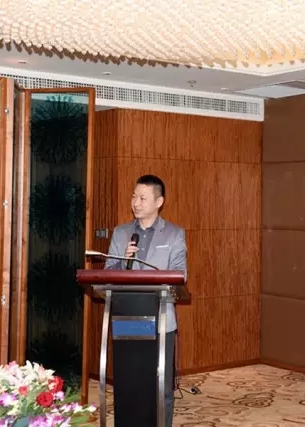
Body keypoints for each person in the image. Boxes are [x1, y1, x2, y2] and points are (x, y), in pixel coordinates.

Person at [104, 174, 187, 427]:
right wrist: (123, 262)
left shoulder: (174, 234)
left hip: (160, 319)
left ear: (159, 202)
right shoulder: (121, 233)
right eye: (134, 196)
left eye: (142, 198)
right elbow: (107, 273)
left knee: (160, 388)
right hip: (128, 318)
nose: (136, 202)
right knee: (130, 384)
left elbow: (180, 274)